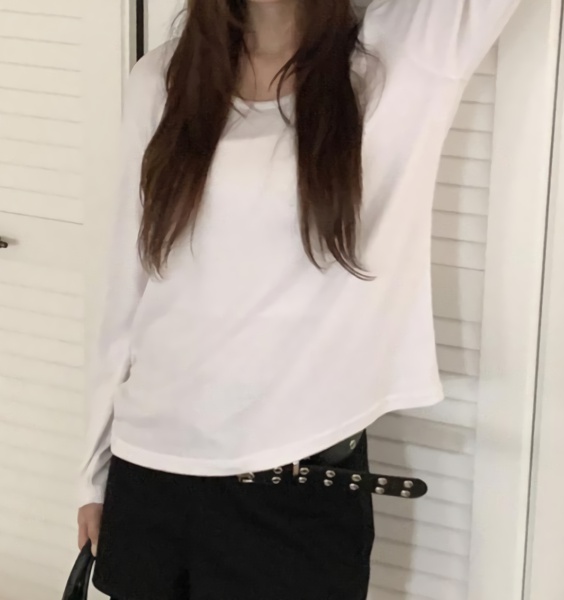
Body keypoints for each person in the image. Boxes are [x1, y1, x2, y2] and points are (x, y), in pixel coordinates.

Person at [77, 1, 522, 598]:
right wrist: (94, 475)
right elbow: (126, 287)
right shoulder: (160, 79)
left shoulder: (402, 57)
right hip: (149, 473)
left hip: (298, 486)